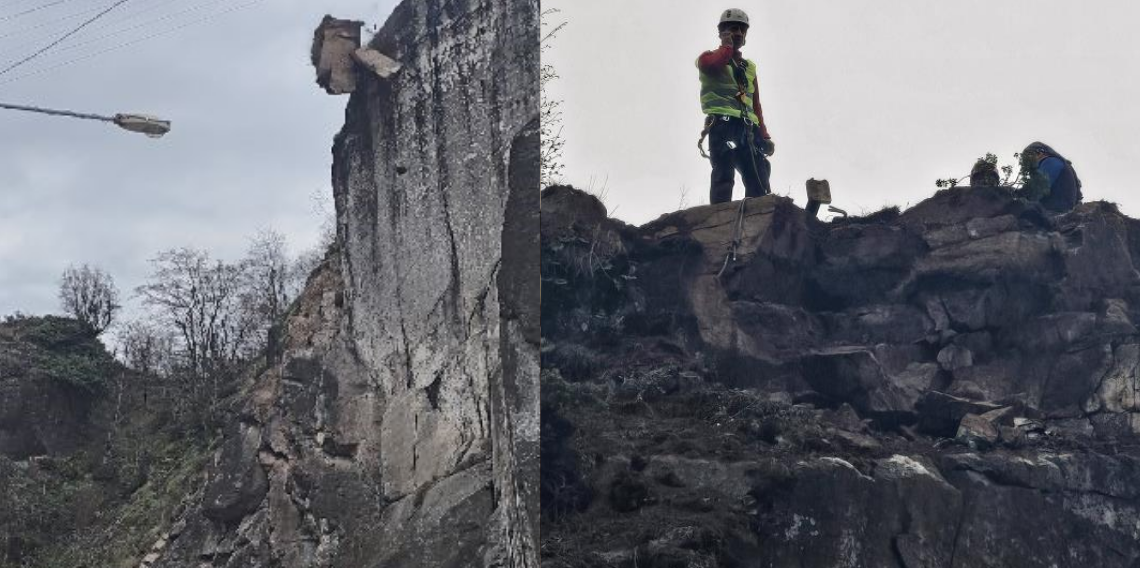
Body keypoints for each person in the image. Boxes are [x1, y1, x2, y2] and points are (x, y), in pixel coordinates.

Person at [697, 8, 774, 205]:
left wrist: (764, 135)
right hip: (723, 126)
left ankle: (757, 218)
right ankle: (719, 218)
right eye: (733, 29)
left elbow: (755, 104)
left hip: (748, 129)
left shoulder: (749, 67)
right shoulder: (707, 58)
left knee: (758, 177)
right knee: (723, 173)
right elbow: (714, 64)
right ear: (722, 32)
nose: (739, 33)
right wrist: (726, 46)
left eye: (742, 30)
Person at [1020, 141, 1082, 212]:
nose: (1027, 162)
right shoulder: (1055, 162)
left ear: (1040, 153)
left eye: (1028, 157)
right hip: (1058, 208)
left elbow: (1039, 188)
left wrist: (1017, 194)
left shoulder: (1050, 162)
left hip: (1055, 209)